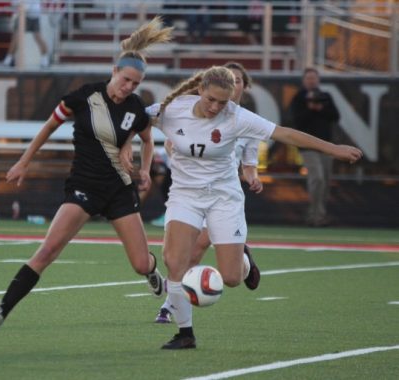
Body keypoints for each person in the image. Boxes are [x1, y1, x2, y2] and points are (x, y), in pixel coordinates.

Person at [132, 65, 361, 350]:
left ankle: (245, 260)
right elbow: (131, 119)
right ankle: (185, 333)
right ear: (200, 89)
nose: (216, 106)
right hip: (184, 195)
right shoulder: (172, 108)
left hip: (223, 198)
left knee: (231, 278)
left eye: (223, 102)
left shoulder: (237, 117)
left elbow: (286, 134)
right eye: (211, 99)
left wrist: (334, 148)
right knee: (175, 261)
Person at [0, 16, 174, 332]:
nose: (129, 87)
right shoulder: (83, 97)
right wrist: (24, 161)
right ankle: (1, 310)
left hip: (119, 190)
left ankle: (153, 273)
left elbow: (147, 139)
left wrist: (146, 169)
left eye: (135, 84)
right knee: (48, 250)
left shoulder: (136, 107)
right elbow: (49, 126)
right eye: (125, 80)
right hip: (83, 187)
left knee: (139, 263)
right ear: (114, 71)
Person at [154, 62, 263, 324]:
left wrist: (253, 178)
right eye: (231, 78)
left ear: (243, 87)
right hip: (191, 193)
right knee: (186, 254)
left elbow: (249, 163)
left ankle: (242, 263)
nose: (234, 84)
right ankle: (171, 306)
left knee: (221, 267)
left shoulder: (245, 121)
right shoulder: (193, 111)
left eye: (238, 80)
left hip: (223, 197)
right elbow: (172, 142)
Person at [289, 67, 340, 226]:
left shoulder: (325, 97)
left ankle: (319, 214)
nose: (311, 81)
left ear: (318, 79)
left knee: (325, 180)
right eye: (308, 78)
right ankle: (314, 214)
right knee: (317, 177)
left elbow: (335, 116)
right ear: (304, 80)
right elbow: (296, 121)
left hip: (325, 145)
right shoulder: (299, 98)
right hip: (307, 146)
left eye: (314, 77)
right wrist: (310, 110)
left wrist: (320, 109)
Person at [0, 0, 50, 67]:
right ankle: (8, 61)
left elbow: (25, 6)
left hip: (29, 15)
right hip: (30, 14)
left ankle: (7, 61)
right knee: (17, 38)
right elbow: (14, 3)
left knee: (34, 37)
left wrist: (20, 7)